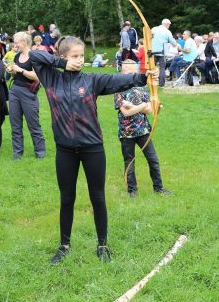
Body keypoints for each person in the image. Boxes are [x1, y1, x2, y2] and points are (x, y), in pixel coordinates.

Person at [23, 37, 158, 264]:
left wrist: (144, 77)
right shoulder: (51, 77)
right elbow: (33, 55)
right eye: (74, 56)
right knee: (67, 198)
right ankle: (64, 246)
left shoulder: (91, 80)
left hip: (92, 148)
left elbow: (117, 80)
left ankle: (102, 245)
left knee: (98, 197)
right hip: (65, 150)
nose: (79, 60)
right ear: (63, 57)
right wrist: (61, 64)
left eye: (81, 56)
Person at [115, 60, 171, 198]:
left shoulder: (141, 87)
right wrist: (142, 105)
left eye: (135, 72)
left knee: (153, 160)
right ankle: (132, 191)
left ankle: (158, 188)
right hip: (126, 133)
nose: (133, 75)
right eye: (130, 73)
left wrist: (133, 106)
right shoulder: (118, 89)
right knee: (129, 162)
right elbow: (126, 113)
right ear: (123, 73)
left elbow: (150, 109)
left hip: (143, 131)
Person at [6, 32, 46, 160]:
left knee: (33, 125)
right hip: (14, 91)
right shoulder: (17, 56)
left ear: (24, 42)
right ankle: (17, 155)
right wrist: (12, 71)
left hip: (28, 93)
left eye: (17, 42)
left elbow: (37, 76)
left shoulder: (34, 56)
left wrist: (21, 70)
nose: (15, 45)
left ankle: (40, 153)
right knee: (15, 125)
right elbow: (16, 75)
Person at [151, 18, 176, 86]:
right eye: (169, 25)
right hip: (162, 52)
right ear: (167, 24)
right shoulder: (167, 32)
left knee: (151, 67)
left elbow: (149, 37)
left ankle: (150, 81)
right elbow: (173, 42)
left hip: (153, 52)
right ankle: (161, 83)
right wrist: (174, 43)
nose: (169, 26)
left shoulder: (153, 29)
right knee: (162, 68)